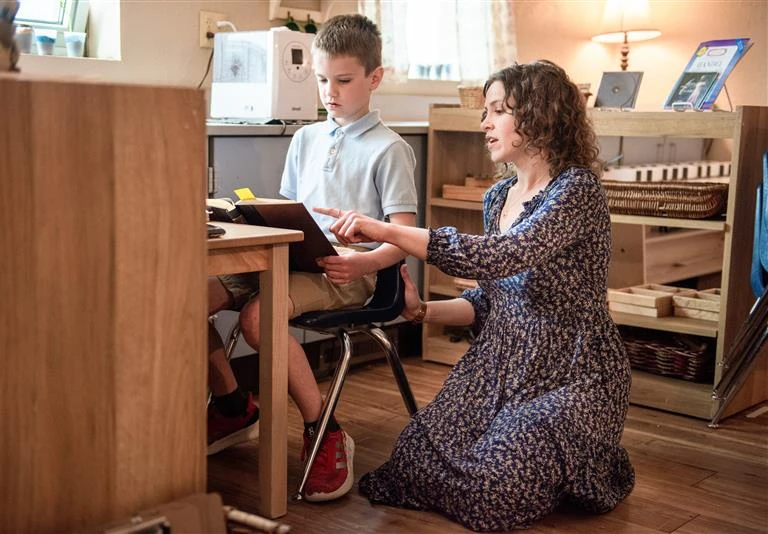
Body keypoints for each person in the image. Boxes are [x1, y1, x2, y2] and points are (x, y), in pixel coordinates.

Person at [316, 60, 635, 531]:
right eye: (486, 111)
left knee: (491, 488)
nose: (485, 123)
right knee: (411, 461)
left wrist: (383, 229)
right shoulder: (497, 196)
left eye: (499, 111)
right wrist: (420, 310)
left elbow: (499, 257)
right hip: (500, 365)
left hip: (572, 371)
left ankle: (576, 455)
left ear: (540, 115)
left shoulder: (576, 191)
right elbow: (489, 300)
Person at [206, 14, 417, 503]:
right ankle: (233, 404)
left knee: (261, 319)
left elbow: (404, 238)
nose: (330, 91)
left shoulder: (390, 149)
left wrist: (363, 264)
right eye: (323, 79)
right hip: (293, 260)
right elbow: (286, 214)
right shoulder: (304, 139)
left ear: (374, 78)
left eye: (343, 80)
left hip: (352, 272)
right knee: (187, 298)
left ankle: (324, 427)